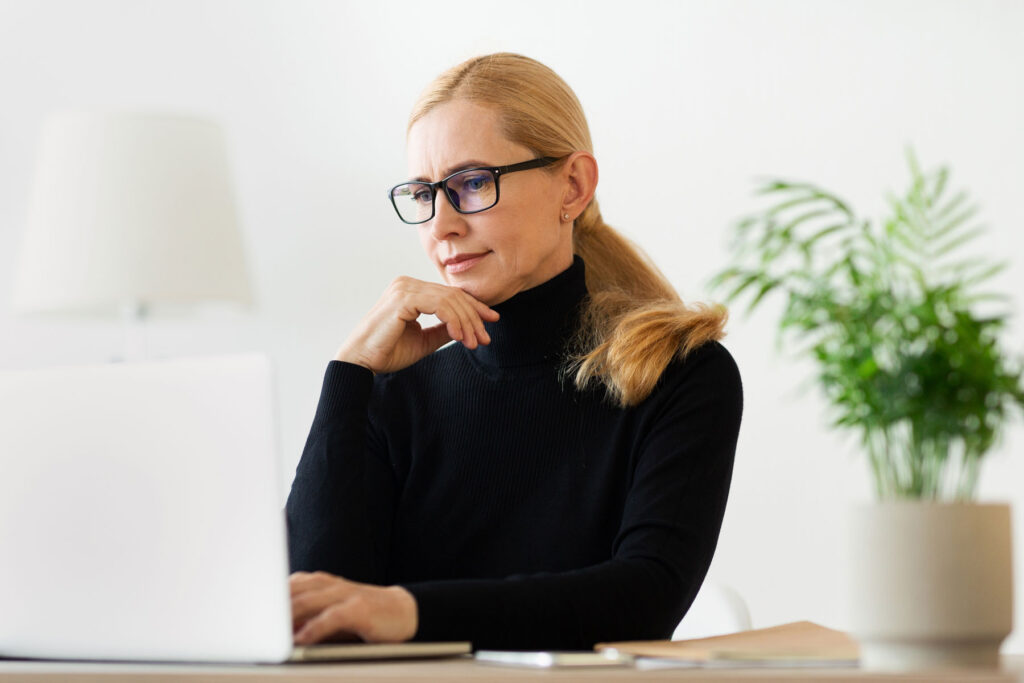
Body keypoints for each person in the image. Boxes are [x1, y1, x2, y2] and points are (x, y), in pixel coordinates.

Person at [285, 52, 743, 651]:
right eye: (424, 194)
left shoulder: (680, 373)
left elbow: (644, 598)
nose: (440, 226)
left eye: (472, 183)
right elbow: (314, 614)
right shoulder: (394, 393)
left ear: (573, 187)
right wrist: (347, 377)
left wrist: (408, 611)